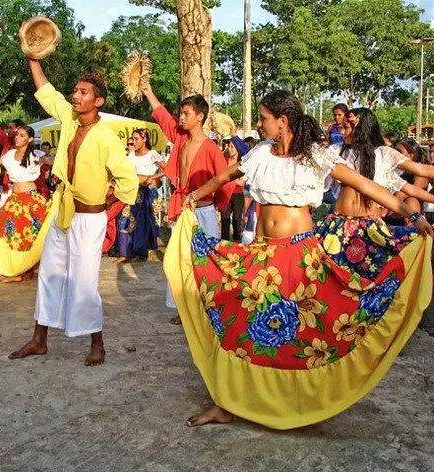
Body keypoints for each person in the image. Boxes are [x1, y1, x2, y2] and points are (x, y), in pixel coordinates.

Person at [165, 90, 432, 429]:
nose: (260, 125)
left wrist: (412, 215)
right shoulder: (260, 152)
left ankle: (298, 405)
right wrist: (194, 196)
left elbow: (367, 186)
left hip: (300, 255)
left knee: (302, 337)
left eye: (263, 118)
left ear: (283, 121)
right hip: (260, 255)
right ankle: (225, 403)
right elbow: (223, 178)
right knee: (238, 329)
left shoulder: (315, 155)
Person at [8, 56, 138, 366]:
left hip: (90, 219)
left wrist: (105, 204)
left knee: (83, 281)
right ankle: (40, 339)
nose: (75, 96)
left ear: (98, 100)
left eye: (83, 92)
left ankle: (98, 343)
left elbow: (128, 181)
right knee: (50, 274)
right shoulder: (68, 117)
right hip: (63, 212)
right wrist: (31, 59)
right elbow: (45, 88)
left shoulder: (106, 137)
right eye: (75, 91)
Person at [143, 82, 232, 325]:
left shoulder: (212, 149)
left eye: (186, 113)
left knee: (204, 261)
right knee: (178, 259)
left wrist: (221, 209)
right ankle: (183, 307)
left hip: (202, 211)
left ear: (200, 117)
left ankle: (208, 308)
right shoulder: (180, 138)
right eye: (181, 113)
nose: (181, 117)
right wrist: (148, 90)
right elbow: (162, 116)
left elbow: (225, 181)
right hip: (182, 208)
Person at [317, 108, 434, 282]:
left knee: (372, 281)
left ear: (362, 127)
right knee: (330, 282)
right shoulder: (336, 151)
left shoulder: (383, 154)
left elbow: (421, 170)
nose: (342, 130)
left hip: (371, 228)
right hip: (338, 226)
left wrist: (416, 216)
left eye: (348, 126)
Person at [0, 125, 55, 283]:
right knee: (2, 228)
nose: (17, 137)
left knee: (30, 236)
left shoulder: (36, 154)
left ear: (29, 139)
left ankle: (25, 272)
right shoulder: (10, 155)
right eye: (17, 135)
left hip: (31, 200)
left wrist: (51, 161)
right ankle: (20, 270)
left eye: (21, 135)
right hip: (15, 200)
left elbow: (50, 159)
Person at [114, 128, 166, 264]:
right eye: (133, 139)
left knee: (142, 222)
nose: (134, 142)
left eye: (137, 139)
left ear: (144, 139)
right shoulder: (131, 155)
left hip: (147, 194)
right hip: (131, 191)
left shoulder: (153, 154)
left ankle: (141, 253)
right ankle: (125, 253)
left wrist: (153, 177)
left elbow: (168, 169)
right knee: (124, 220)